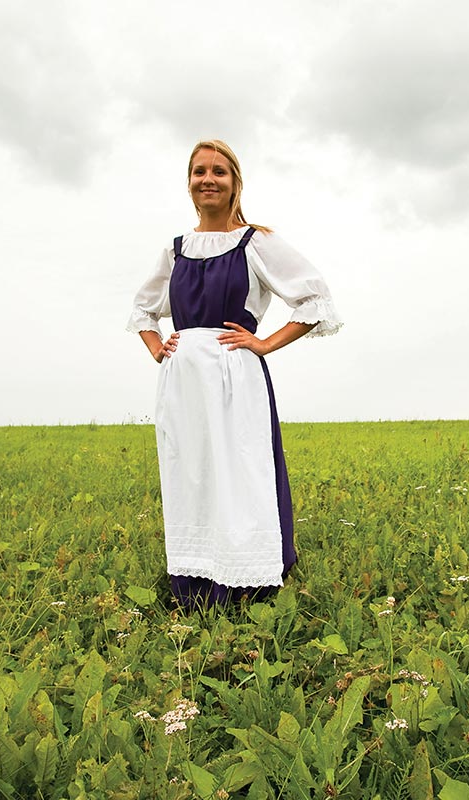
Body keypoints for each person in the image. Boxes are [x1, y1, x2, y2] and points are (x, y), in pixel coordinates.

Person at [126, 139, 342, 609]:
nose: (209, 179)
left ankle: (249, 574)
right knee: (193, 470)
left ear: (234, 182)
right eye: (200, 171)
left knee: (240, 467)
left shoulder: (255, 241)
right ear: (189, 183)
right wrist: (158, 347)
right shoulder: (176, 249)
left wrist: (263, 342)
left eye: (219, 172)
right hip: (184, 377)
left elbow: (314, 299)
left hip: (233, 370)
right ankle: (195, 575)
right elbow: (144, 310)